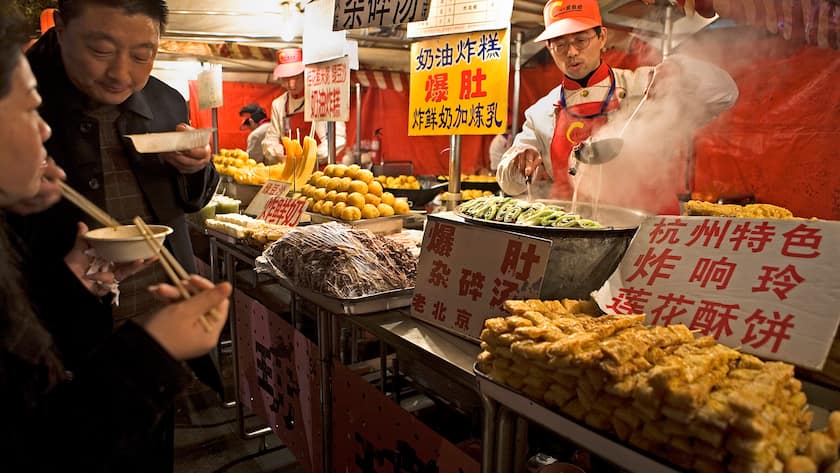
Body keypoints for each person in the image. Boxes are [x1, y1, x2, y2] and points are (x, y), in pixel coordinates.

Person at [0, 5, 231, 470]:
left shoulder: (165, 102)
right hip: (59, 333)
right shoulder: (21, 92)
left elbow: (191, 203)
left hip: (155, 306)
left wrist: (199, 168)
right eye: (101, 49)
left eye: (143, 55)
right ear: (60, 28)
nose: (121, 73)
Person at [496, 0, 739, 204]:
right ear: (549, 48)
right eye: (560, 44)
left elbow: (725, 93)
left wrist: (681, 69)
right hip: (579, 232)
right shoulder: (540, 113)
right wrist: (518, 160)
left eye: (580, 40)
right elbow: (509, 184)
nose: (571, 52)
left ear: (602, 37)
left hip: (645, 228)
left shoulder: (644, 85)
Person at [261, 47, 347, 166]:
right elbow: (271, 138)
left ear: (306, 74)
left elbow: (338, 139)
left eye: (296, 78)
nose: (291, 85)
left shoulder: (322, 98)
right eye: (286, 79)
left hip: (319, 170)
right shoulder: (279, 104)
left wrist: (313, 155)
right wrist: (274, 150)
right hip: (290, 168)